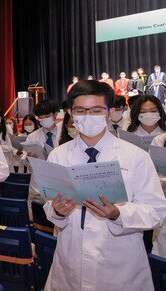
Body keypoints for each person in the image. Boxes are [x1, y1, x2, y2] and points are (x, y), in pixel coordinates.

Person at [43, 80, 166, 290]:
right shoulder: (58, 155)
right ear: (72, 114)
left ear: (109, 113)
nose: (87, 116)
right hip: (70, 264)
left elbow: (156, 211)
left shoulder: (135, 156)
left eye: (96, 110)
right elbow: (49, 202)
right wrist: (57, 211)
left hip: (120, 267)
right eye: (80, 110)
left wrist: (118, 213)